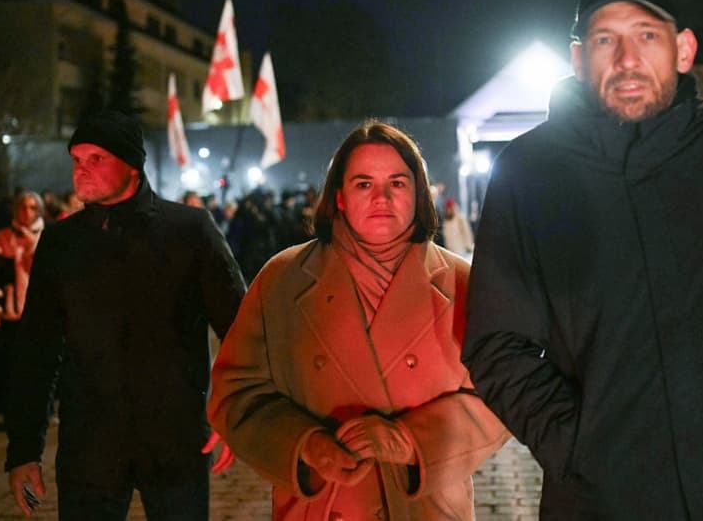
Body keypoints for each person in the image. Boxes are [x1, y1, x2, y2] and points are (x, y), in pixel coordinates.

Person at [461, 0, 703, 520]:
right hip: (600, 504)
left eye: (647, 35)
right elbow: (497, 342)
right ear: (577, 57)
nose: (626, 58)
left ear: (684, 49)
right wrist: (576, 444)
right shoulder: (528, 171)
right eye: (605, 39)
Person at [208, 121, 509, 520]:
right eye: (363, 183)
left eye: (398, 183)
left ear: (418, 194)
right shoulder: (282, 278)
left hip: (427, 507)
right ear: (340, 197)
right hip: (322, 504)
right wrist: (306, 446)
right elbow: (236, 392)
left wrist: (411, 442)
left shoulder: (464, 282)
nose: (382, 197)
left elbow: (504, 394)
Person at [5, 110, 247, 520]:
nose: (81, 171)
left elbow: (243, 331)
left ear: (132, 164)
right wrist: (24, 450)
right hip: (90, 450)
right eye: (77, 160)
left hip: (176, 443)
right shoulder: (62, 244)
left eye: (96, 158)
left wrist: (235, 412)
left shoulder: (189, 231)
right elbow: (37, 351)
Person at [0, 191, 45, 416]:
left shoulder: (48, 237)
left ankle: (40, 409)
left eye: (32, 208)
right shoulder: (2, 239)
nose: (27, 212)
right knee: (9, 363)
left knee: (39, 364)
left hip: (40, 311)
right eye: (23, 207)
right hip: (11, 312)